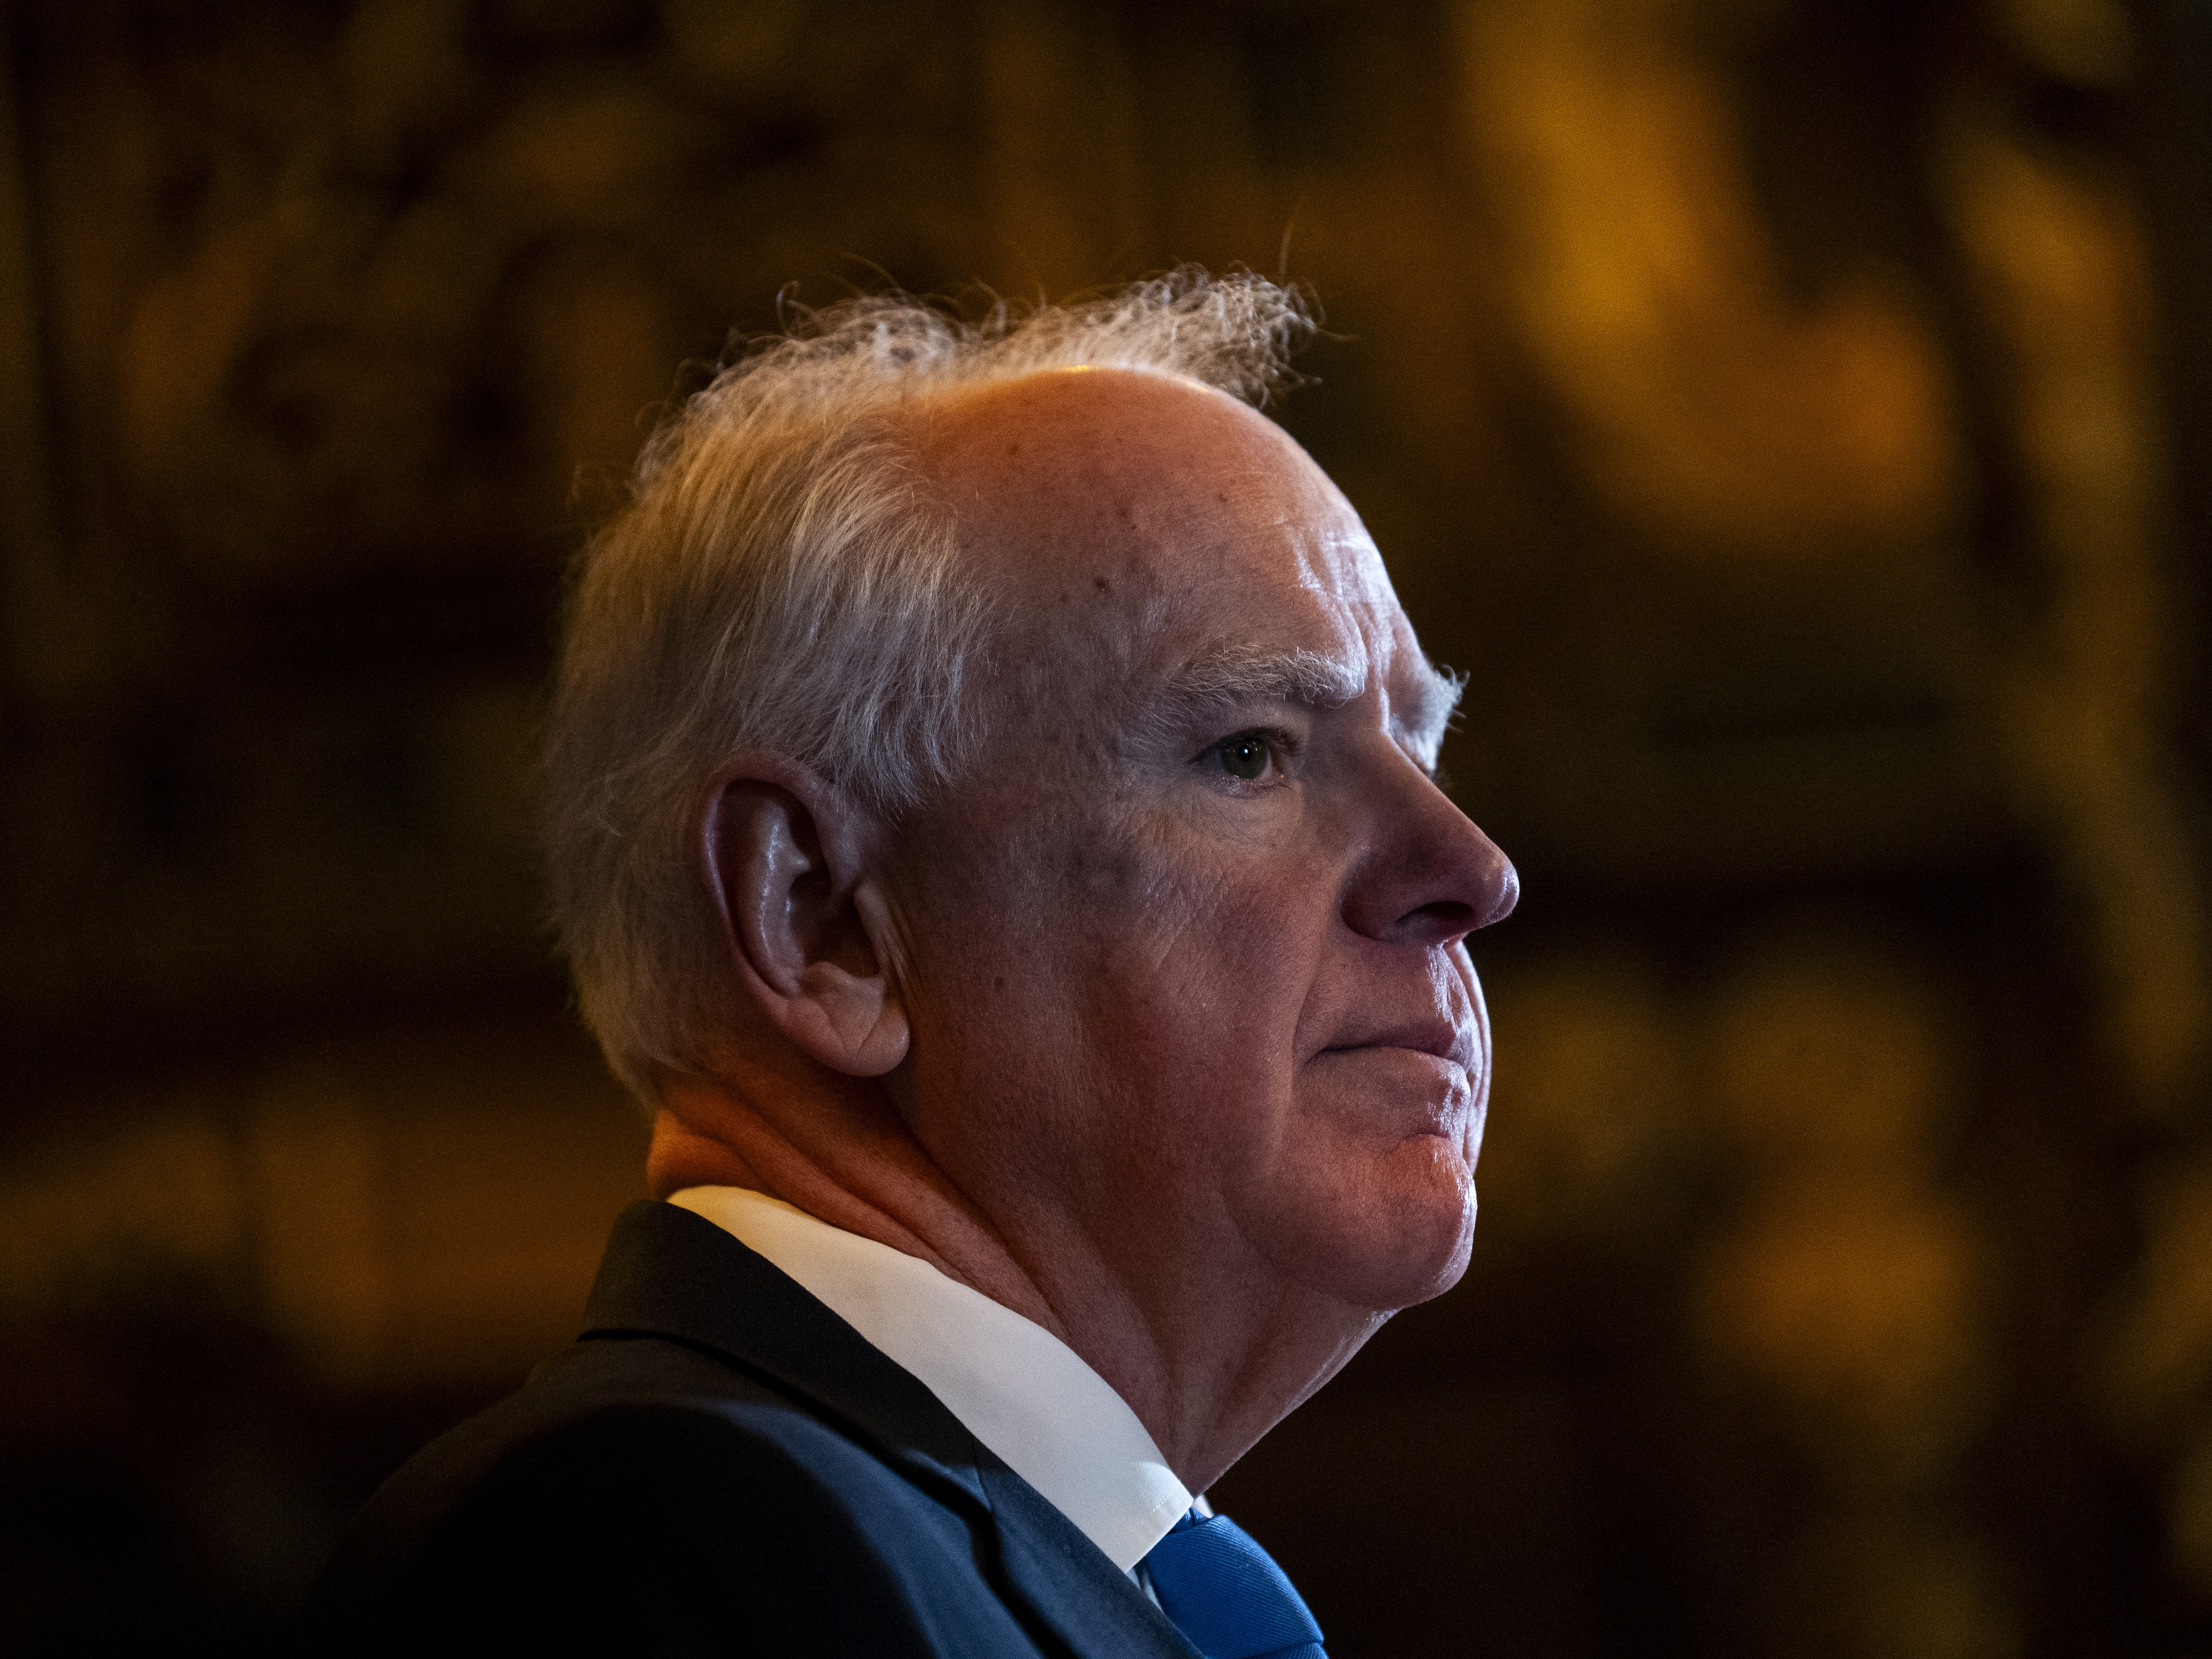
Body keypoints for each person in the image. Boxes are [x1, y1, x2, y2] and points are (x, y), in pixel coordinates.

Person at [299, 270, 1516, 1657]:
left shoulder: (937, 1549)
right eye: (1249, 752)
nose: (1473, 872)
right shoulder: (656, 1545)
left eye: (1418, 748)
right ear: (822, 923)